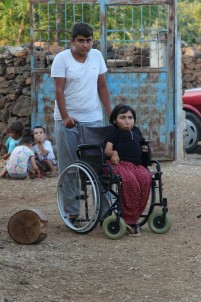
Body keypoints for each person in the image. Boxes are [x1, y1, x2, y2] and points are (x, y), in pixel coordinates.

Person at [51, 22, 111, 219]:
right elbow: (59, 90)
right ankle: (72, 213)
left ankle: (105, 212)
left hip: (93, 119)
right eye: (81, 41)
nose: (85, 45)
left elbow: (102, 87)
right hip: (68, 121)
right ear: (72, 41)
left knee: (98, 166)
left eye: (89, 41)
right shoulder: (62, 59)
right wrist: (66, 116)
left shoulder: (97, 56)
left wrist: (111, 114)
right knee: (70, 166)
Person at [104, 104, 152, 236]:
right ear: (115, 120)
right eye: (123, 117)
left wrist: (144, 149)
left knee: (146, 178)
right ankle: (128, 220)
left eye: (130, 118)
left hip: (136, 165)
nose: (127, 121)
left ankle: (134, 217)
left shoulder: (136, 131)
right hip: (118, 164)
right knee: (130, 181)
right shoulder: (114, 132)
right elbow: (107, 150)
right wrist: (113, 153)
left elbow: (142, 144)